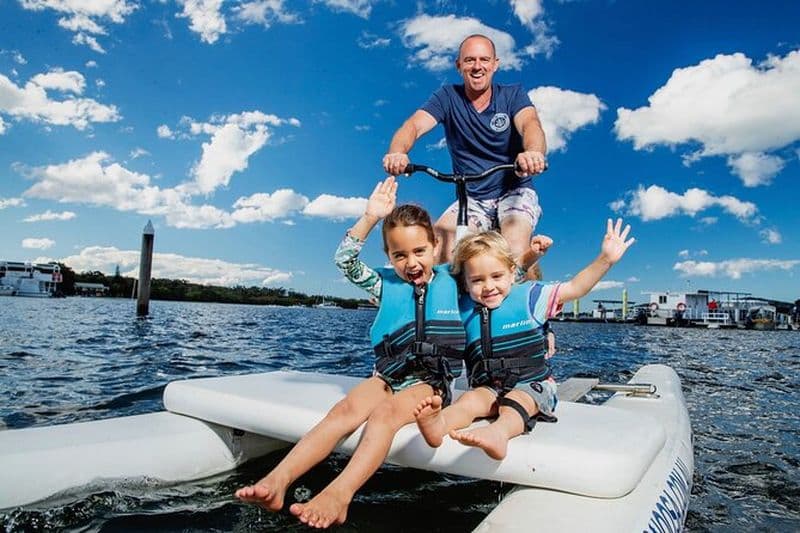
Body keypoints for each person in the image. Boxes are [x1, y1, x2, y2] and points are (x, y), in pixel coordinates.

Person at [235, 176, 464, 529]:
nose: (411, 262)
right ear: (388, 256)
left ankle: (340, 494)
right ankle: (278, 481)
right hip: (387, 375)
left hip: (429, 384)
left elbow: (501, 279)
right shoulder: (383, 284)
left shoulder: (456, 279)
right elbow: (344, 260)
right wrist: (371, 217)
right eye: (399, 255)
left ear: (436, 247)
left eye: (419, 251)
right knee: (344, 409)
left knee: (385, 414)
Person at [413, 219, 635, 460]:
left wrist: (606, 259)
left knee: (515, 402)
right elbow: (437, 279)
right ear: (465, 284)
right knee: (469, 400)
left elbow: (576, 287)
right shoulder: (463, 306)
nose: (488, 287)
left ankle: (498, 433)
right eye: (477, 280)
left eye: (496, 276)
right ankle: (439, 424)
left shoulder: (532, 297)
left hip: (532, 386)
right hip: (488, 387)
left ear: (512, 273)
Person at [383, 34, 548, 275]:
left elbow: (530, 124)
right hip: (472, 198)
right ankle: (444, 310)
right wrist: (397, 152)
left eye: (484, 59)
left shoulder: (513, 95)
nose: (477, 66)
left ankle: (524, 304)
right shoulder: (447, 97)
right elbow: (414, 126)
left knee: (513, 250)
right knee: (438, 246)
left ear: (495, 64)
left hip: (515, 190)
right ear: (459, 66)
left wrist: (533, 152)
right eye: (470, 60)